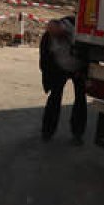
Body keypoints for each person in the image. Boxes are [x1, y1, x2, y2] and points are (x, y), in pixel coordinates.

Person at [39, 16, 87, 144]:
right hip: (59, 69)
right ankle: (47, 131)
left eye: (58, 34)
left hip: (79, 68)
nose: (57, 38)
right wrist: (49, 80)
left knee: (80, 99)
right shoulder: (48, 38)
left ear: (62, 28)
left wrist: (83, 70)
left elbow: (89, 50)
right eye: (54, 35)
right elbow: (44, 61)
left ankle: (77, 133)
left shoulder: (75, 28)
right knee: (54, 97)